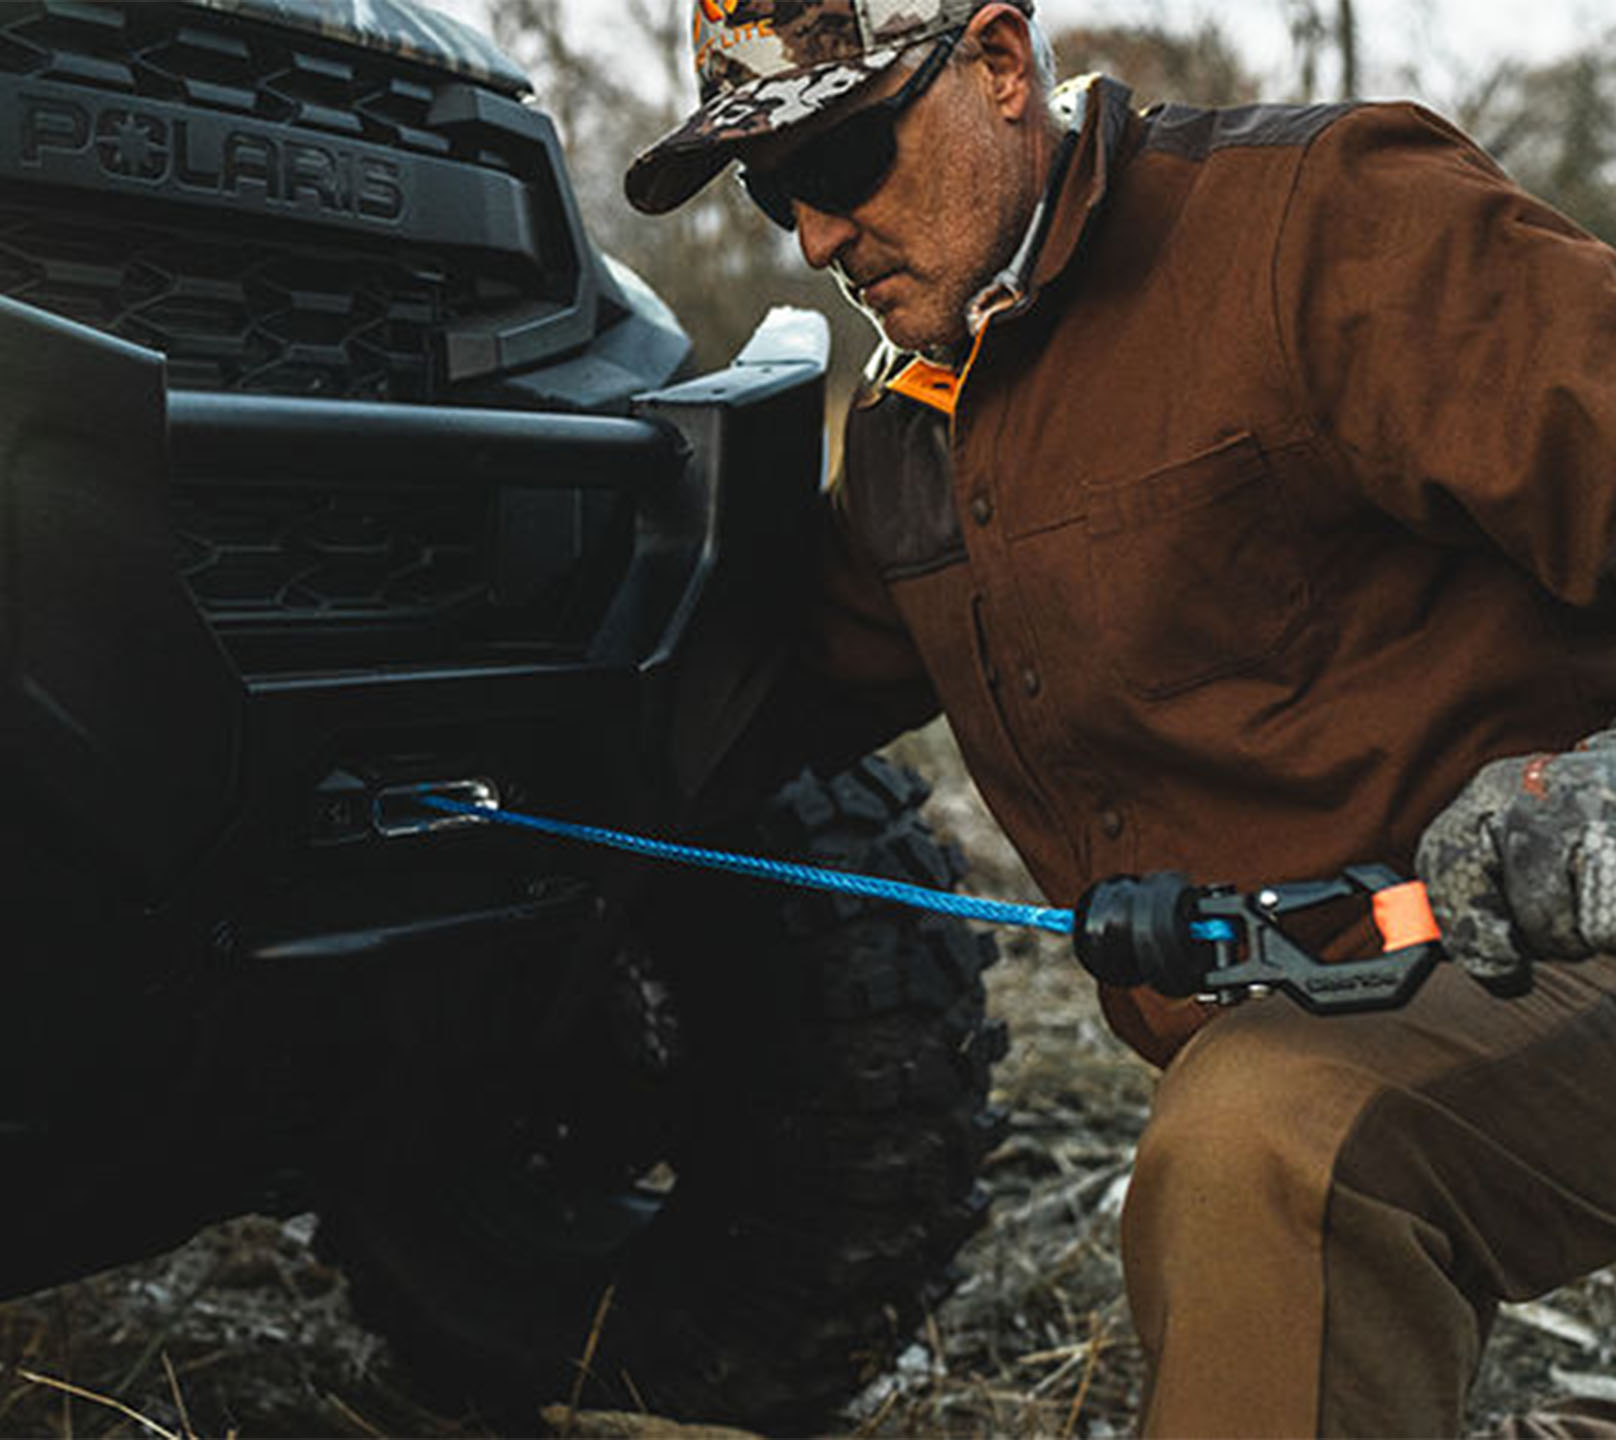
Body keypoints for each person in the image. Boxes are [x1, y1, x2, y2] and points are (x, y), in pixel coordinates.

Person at [624, 1, 1616, 1434]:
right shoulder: (910, 451)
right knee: (1259, 1117)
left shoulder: (1326, 222)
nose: (815, 237)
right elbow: (743, 707)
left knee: (1267, 1143)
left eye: (840, 156)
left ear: (1001, 67)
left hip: (1571, 940)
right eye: (772, 191)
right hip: (1346, 1022)